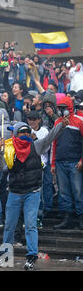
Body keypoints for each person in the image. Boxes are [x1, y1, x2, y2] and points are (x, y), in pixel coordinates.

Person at [0, 119, 67, 270]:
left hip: (32, 192)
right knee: (9, 225)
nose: (25, 135)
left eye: (27, 132)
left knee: (31, 225)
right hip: (14, 191)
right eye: (22, 132)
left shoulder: (36, 146)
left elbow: (50, 137)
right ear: (15, 134)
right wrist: (0, 150)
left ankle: (31, 257)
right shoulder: (8, 148)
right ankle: (5, 257)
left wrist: (61, 125)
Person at [52, 97, 83, 230]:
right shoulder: (57, 122)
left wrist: (82, 160)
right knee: (64, 192)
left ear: (70, 107)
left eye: (64, 107)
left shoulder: (79, 121)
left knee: (78, 191)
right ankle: (68, 217)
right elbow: (54, 143)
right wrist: (53, 163)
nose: (62, 110)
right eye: (60, 107)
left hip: (75, 162)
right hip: (60, 162)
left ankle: (81, 217)